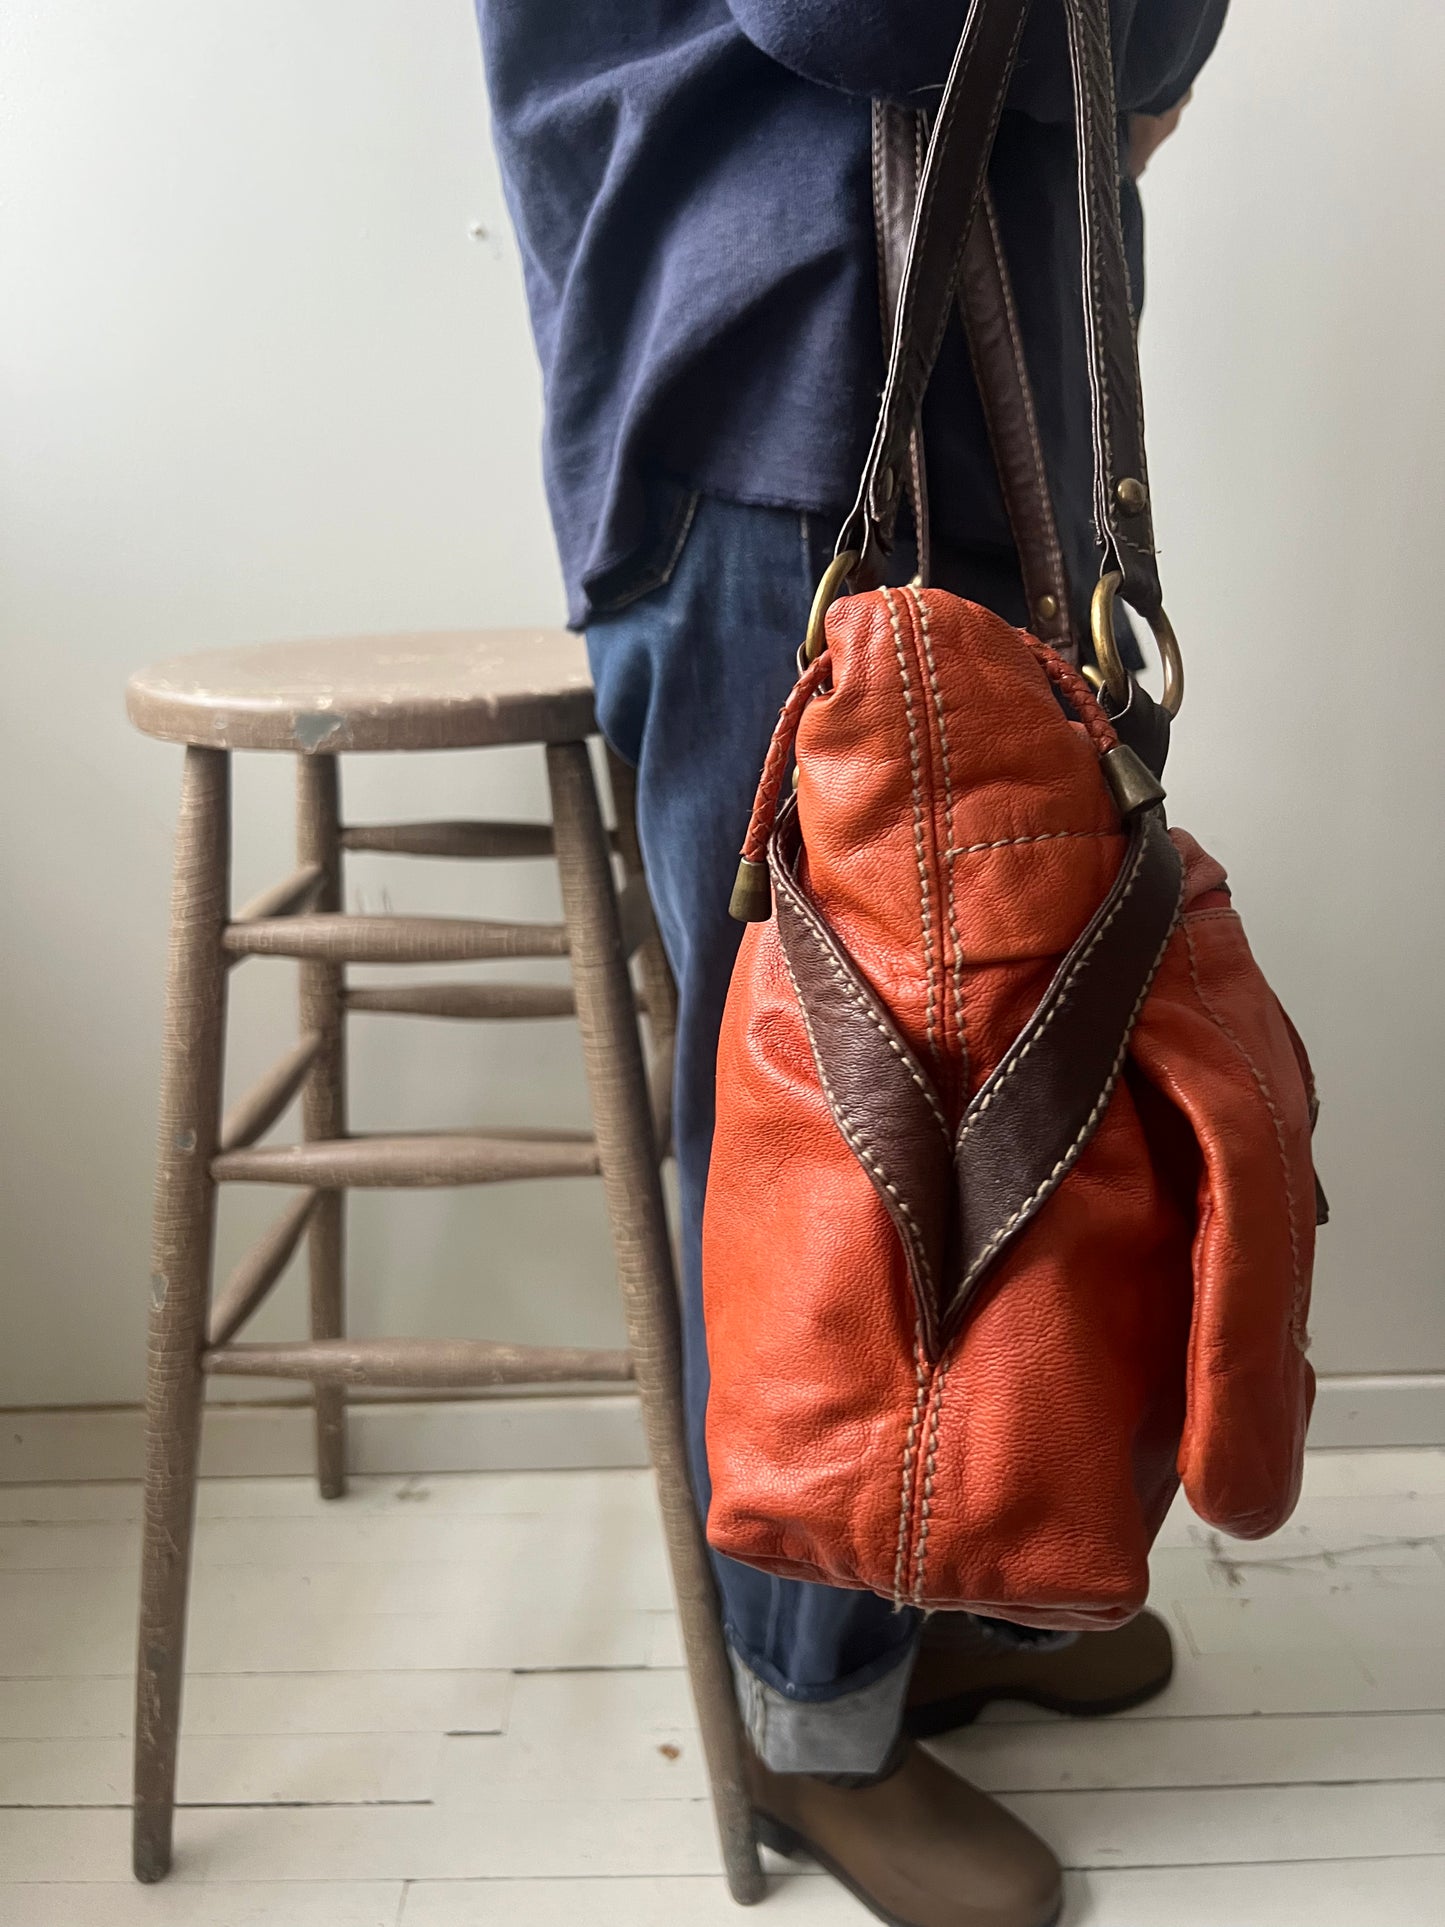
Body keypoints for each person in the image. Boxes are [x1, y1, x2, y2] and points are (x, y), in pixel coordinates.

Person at [474, 5, 1228, 1923]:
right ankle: (804, 1719)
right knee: (817, 1115)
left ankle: (929, 1581)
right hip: (771, 413)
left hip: (942, 385)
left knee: (995, 1062)